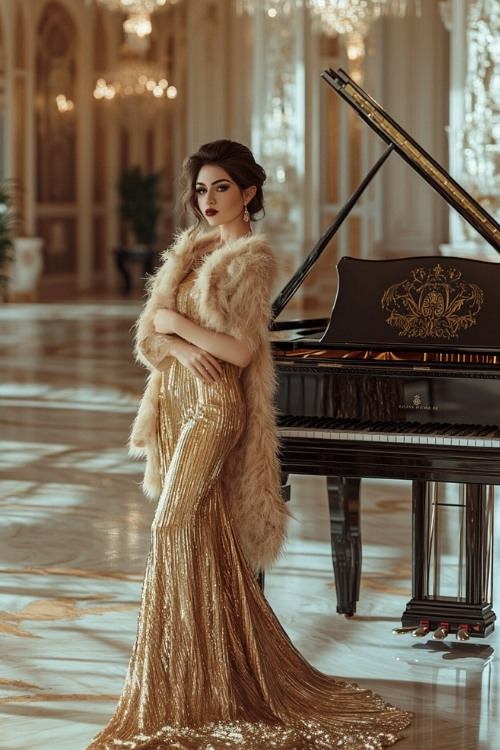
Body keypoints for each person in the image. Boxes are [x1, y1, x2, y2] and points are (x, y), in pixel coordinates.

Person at [85, 139, 412, 749]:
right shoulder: (190, 251)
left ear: (249, 192)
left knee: (169, 525)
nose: (208, 201)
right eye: (201, 189)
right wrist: (176, 342)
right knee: (202, 532)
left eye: (222, 188)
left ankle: (192, 676)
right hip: (176, 403)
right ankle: (199, 681)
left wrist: (175, 325)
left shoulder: (252, 260)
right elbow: (150, 338)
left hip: (213, 408)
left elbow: (238, 352)